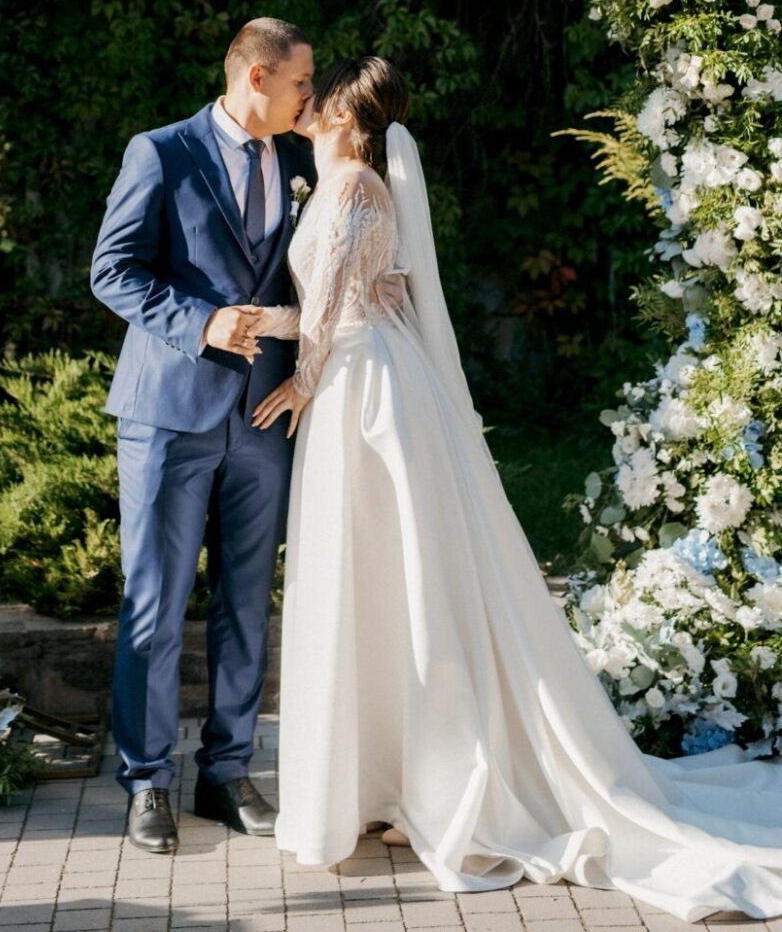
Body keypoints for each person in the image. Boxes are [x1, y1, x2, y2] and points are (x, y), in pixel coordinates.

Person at [252, 56, 782, 922]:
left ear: (349, 113)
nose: (307, 104)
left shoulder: (352, 192)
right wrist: (259, 326)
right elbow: (334, 297)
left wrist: (303, 377)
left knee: (396, 575)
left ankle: (429, 779)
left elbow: (333, 308)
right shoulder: (339, 186)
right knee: (375, 580)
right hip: (360, 374)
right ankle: (386, 776)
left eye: (323, 94)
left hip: (365, 391)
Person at [90, 17, 315, 856]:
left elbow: (316, 277)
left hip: (265, 415)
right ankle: (147, 780)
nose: (310, 95)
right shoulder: (161, 152)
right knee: (154, 602)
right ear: (255, 78)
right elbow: (112, 270)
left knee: (248, 602)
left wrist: (307, 370)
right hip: (168, 415)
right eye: (300, 80)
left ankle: (227, 771)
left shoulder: (300, 162)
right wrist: (202, 322)